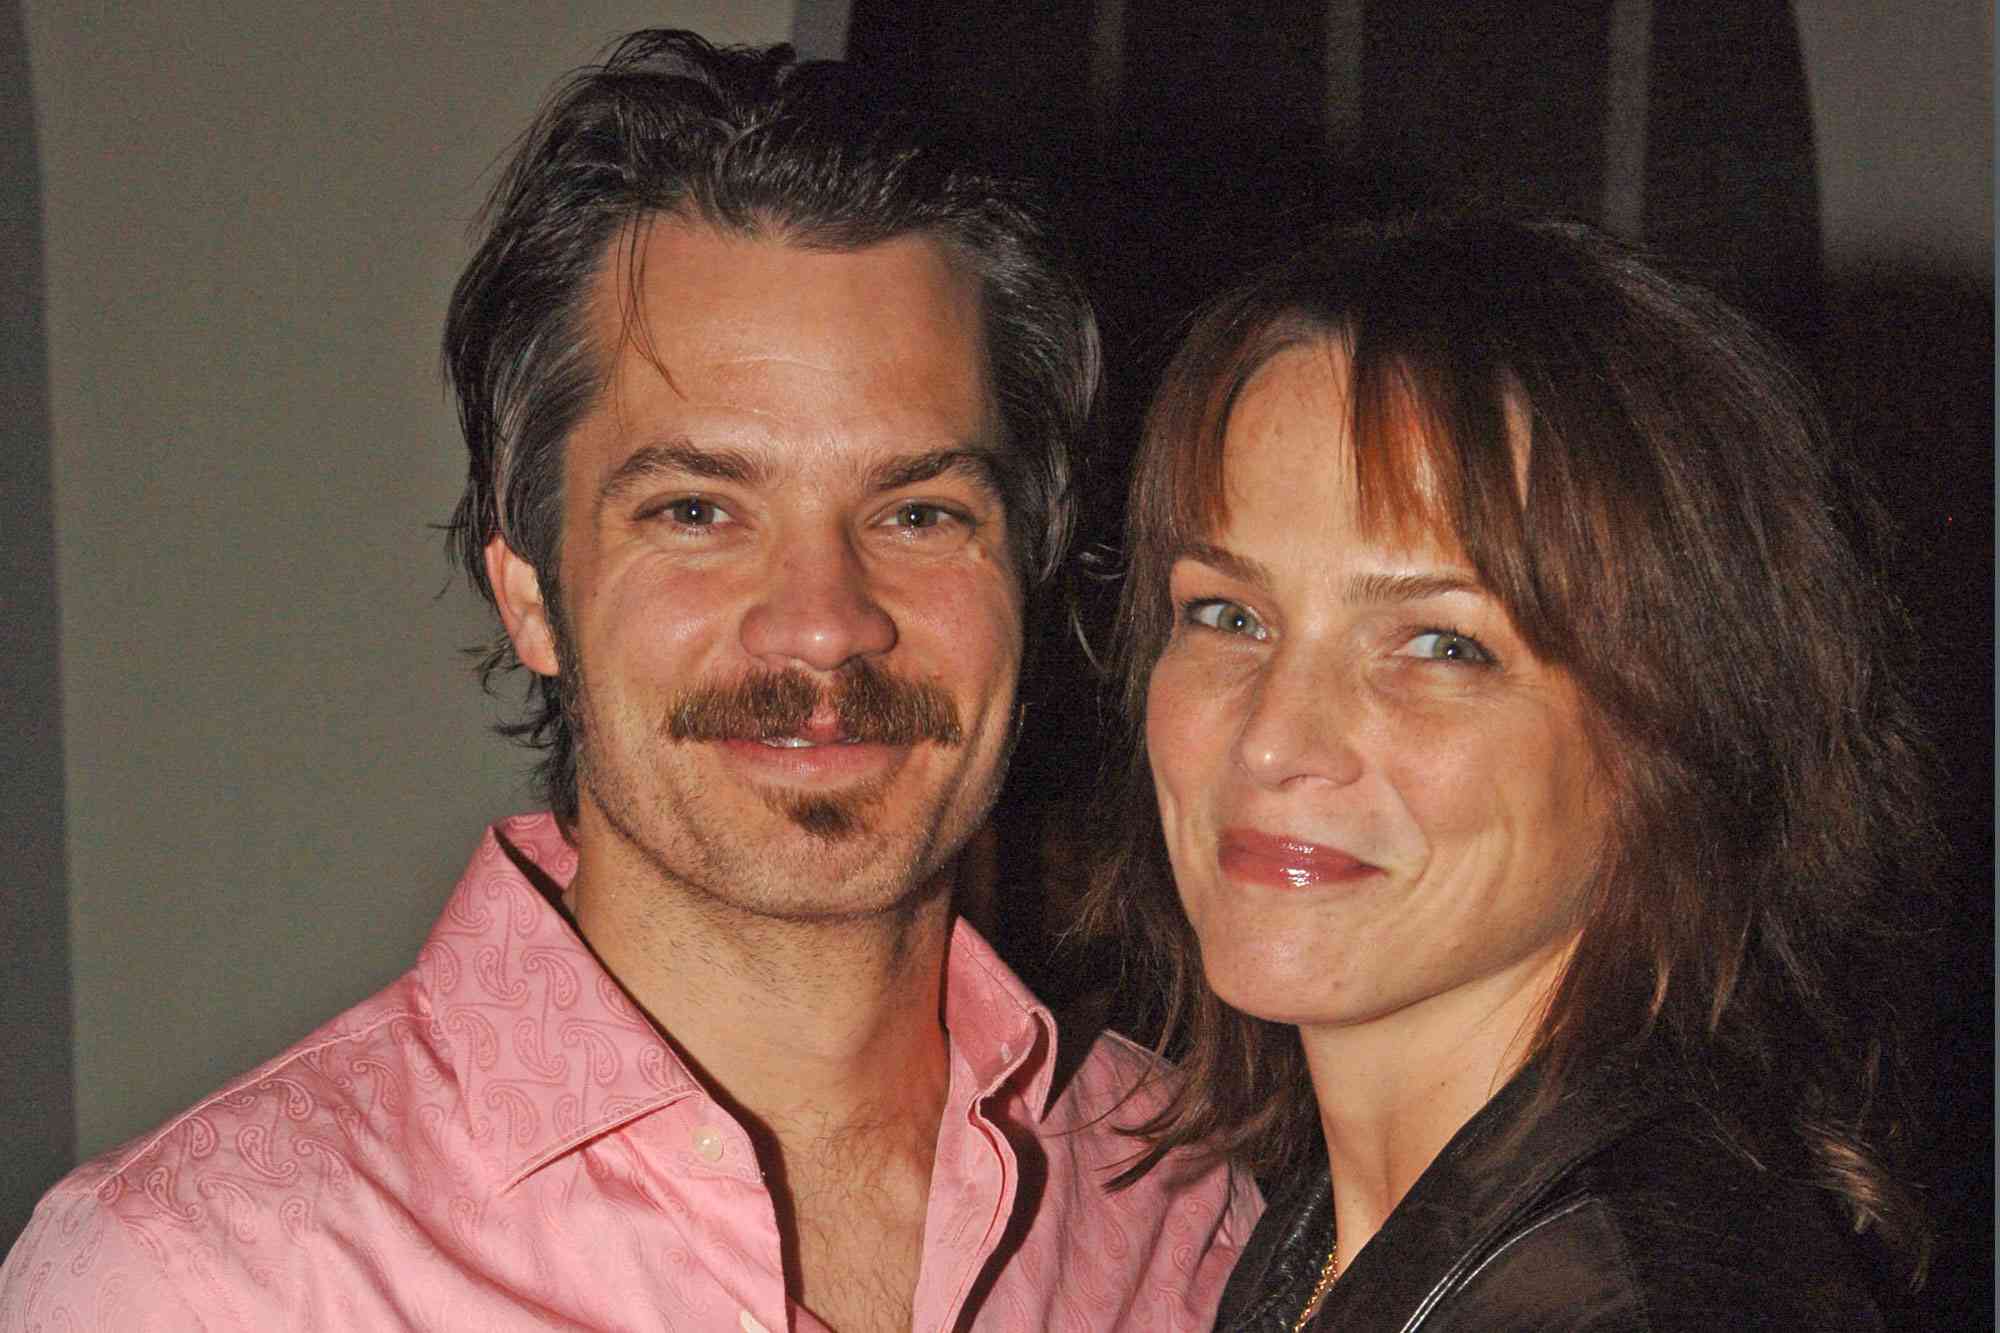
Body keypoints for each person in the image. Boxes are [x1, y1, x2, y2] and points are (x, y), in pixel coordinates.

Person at [0, 31, 1257, 1333]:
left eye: (921, 513)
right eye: (699, 511)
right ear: (530, 591)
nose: (822, 629)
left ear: (1033, 575)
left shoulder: (1185, 1210)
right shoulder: (191, 1285)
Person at [1083, 216, 1932, 1329]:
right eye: (1227, 613)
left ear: (1672, 738)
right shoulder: (1334, 1234)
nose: (1273, 738)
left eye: (1440, 645)